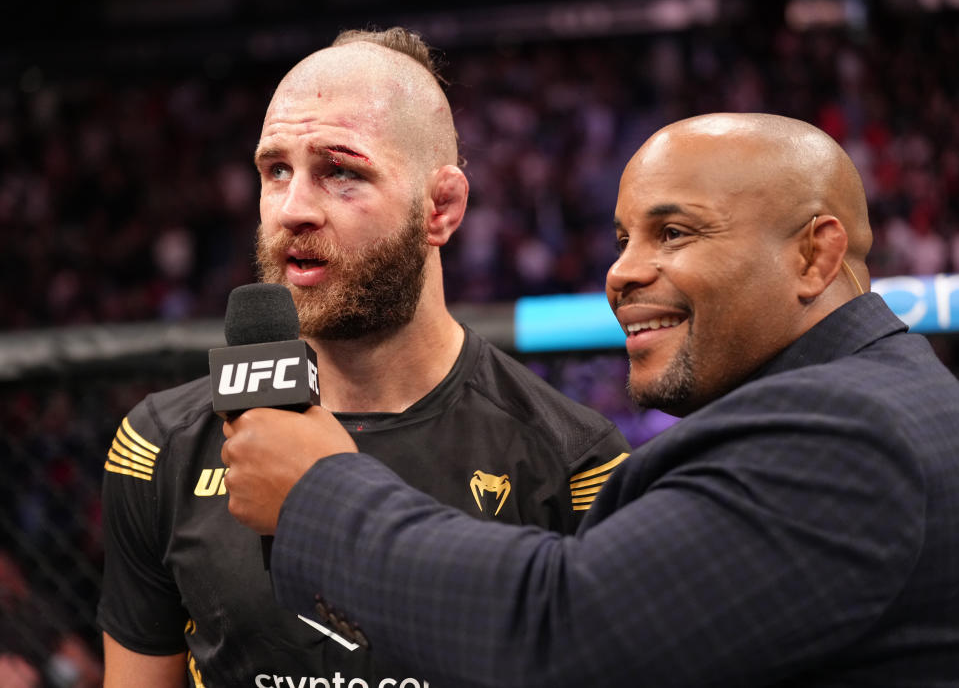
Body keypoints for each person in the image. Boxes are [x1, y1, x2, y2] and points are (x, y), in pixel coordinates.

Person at [222, 112, 959, 687]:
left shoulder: (846, 432)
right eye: (621, 237)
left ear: (814, 254)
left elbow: (562, 633)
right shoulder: (884, 394)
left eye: (672, 232)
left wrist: (319, 494)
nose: (621, 272)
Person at [96, 27, 631, 688]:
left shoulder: (572, 459)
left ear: (441, 207)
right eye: (275, 171)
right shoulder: (158, 446)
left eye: (340, 171)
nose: (292, 209)